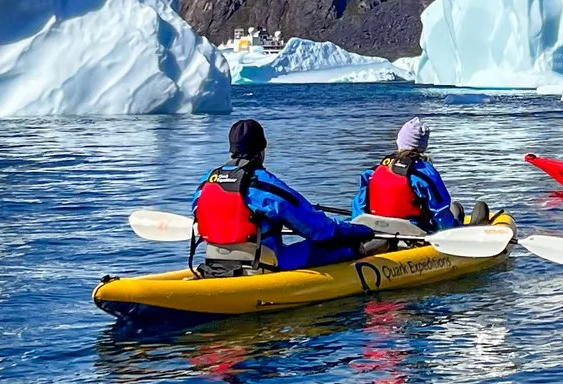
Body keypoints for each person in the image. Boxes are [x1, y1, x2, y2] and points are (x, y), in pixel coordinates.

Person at [192, 118, 381, 276]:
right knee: (338, 246)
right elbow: (318, 229)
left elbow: (199, 215)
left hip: (215, 259)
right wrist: (357, 231)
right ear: (262, 150)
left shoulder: (206, 182)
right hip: (265, 263)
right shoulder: (265, 185)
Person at [352, 117, 465, 233]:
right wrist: (454, 231)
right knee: (456, 208)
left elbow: (358, 207)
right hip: (413, 234)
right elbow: (440, 210)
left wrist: (358, 230)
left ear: (399, 141)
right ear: (423, 146)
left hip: (375, 229)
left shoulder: (372, 172)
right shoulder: (425, 172)